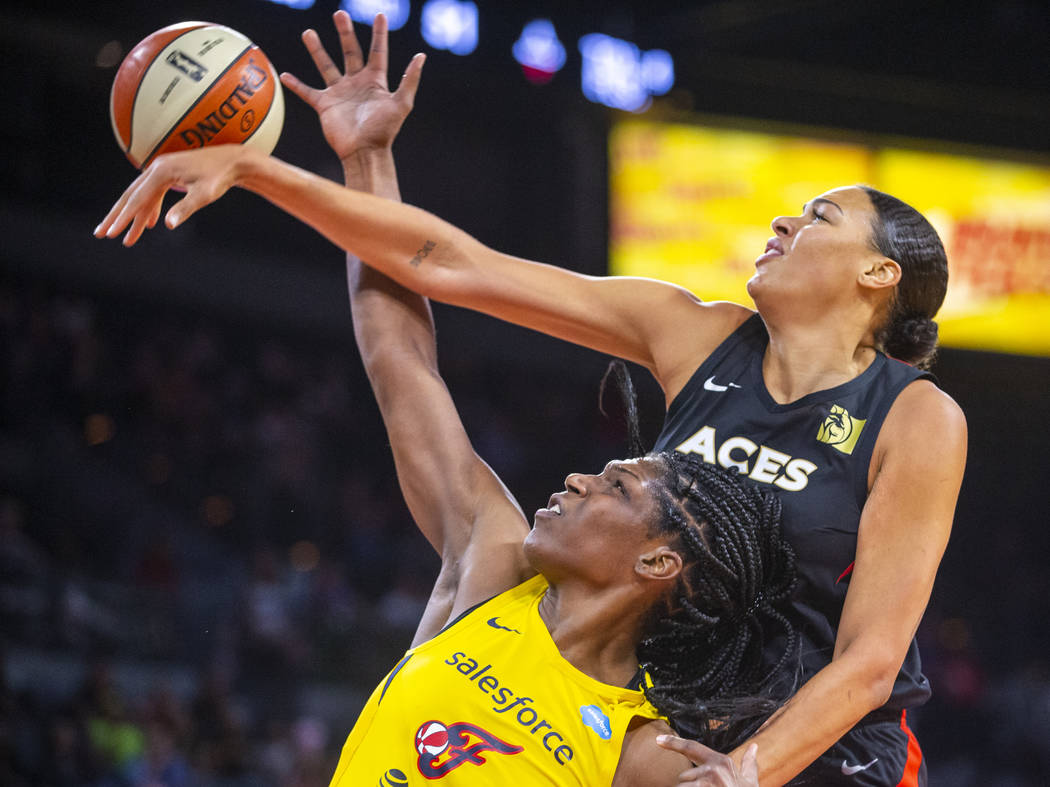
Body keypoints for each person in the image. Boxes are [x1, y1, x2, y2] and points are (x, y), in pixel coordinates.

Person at [95, 12, 967, 784]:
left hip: (815, 745)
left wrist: (747, 770)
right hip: (675, 699)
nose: (783, 222)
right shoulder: (693, 333)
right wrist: (313, 163)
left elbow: (872, 658)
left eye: (816, 216)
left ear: (877, 273)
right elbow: (445, 265)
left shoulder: (915, 414)